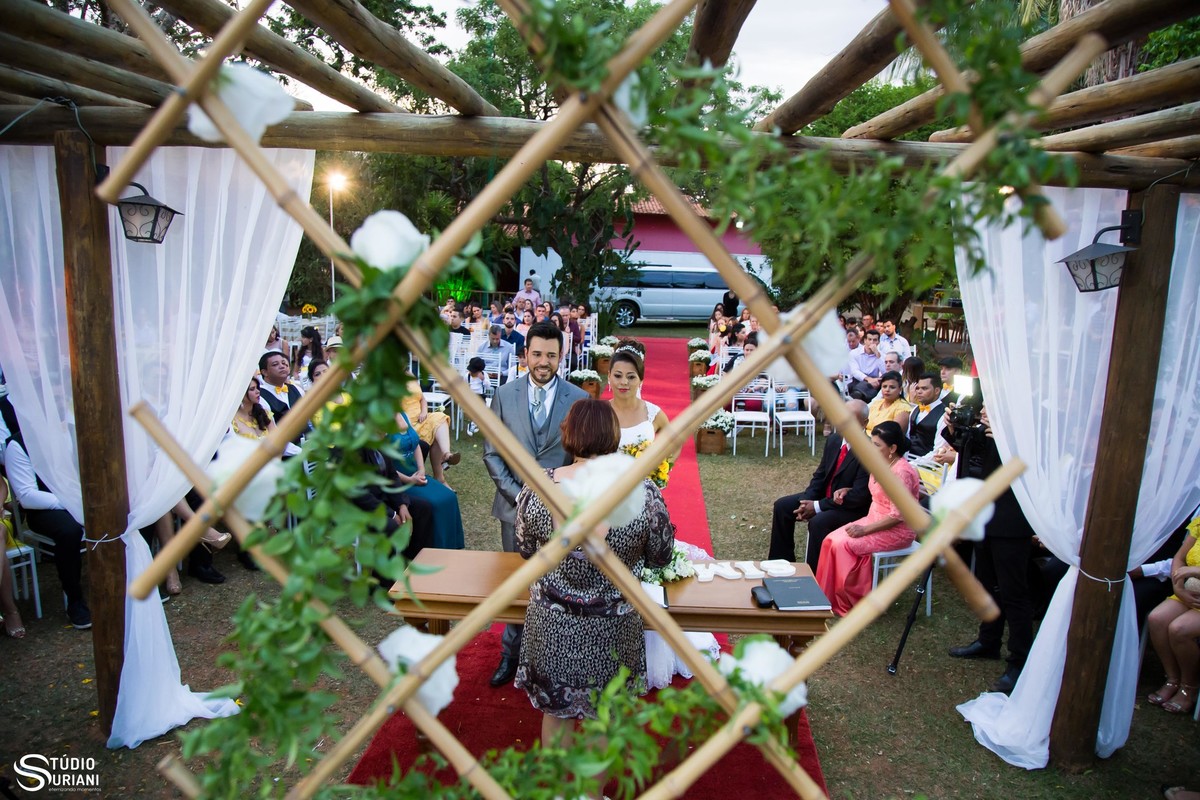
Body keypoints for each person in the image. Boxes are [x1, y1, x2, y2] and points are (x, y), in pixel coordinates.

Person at [514, 400, 674, 746]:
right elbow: (661, 556)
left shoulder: (539, 488)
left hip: (553, 622)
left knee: (556, 713)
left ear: (567, 434)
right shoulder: (643, 492)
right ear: (613, 436)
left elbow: (525, 548)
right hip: (613, 626)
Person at [483, 320, 589, 687]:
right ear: (525, 353)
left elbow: (584, 456)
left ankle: (555, 655)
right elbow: (492, 454)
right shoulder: (504, 395)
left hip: (562, 512)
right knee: (517, 583)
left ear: (562, 356)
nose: (544, 361)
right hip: (513, 509)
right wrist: (520, 494)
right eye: (538, 353)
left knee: (561, 583)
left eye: (551, 355)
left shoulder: (578, 399)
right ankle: (510, 654)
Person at [945, 404, 1034, 695]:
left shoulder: (1024, 434)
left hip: (1011, 521)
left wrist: (1007, 441)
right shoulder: (984, 431)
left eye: (989, 409)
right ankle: (988, 640)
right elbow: (969, 461)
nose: (984, 411)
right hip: (983, 517)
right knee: (985, 583)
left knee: (1014, 593)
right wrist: (955, 431)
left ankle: (1019, 660)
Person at [814, 421, 920, 616]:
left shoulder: (901, 472)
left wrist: (864, 530)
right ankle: (826, 595)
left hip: (896, 530)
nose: (871, 447)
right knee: (830, 540)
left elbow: (898, 515)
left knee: (843, 545)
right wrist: (848, 490)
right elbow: (878, 494)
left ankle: (852, 602)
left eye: (877, 445)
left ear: (893, 448)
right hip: (874, 518)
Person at [4, 423, 90, 628]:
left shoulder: (72, 431)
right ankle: (74, 600)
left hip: (81, 498)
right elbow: (27, 495)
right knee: (69, 531)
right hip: (45, 509)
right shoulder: (18, 444)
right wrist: (70, 503)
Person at [770, 400, 872, 569]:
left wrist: (817, 507)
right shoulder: (834, 440)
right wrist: (806, 501)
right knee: (782, 506)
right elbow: (820, 475)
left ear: (865, 423)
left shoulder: (869, 450)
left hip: (849, 508)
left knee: (818, 522)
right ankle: (780, 564)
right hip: (825, 498)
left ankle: (814, 574)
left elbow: (858, 496)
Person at [1145, 514, 1200, 715]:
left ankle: (1189, 687)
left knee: (1179, 629)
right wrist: (1178, 587)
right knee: (1157, 619)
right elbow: (1179, 557)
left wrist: (1194, 570)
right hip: (1189, 590)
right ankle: (1172, 679)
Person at [391, 411, 465, 549]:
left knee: (449, 496)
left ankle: (451, 548)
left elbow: (416, 444)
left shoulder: (403, 414)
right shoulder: (377, 423)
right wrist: (409, 479)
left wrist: (421, 469)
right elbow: (384, 465)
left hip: (416, 475)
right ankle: (433, 551)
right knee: (434, 503)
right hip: (398, 481)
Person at [401, 375, 460, 488]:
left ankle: (447, 454)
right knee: (435, 429)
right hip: (406, 423)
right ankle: (440, 478)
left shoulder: (409, 375)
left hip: (422, 418)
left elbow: (422, 398)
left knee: (440, 418)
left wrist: (424, 411)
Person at [905, 373, 946, 457]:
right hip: (907, 456)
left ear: (937, 391)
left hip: (928, 464)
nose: (919, 392)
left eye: (924, 388)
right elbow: (908, 437)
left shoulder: (944, 414)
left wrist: (915, 464)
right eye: (917, 388)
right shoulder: (915, 409)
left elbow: (938, 450)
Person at [847, 329, 885, 401]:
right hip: (858, 380)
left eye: (874, 340)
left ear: (878, 342)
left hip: (875, 382)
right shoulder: (854, 353)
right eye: (869, 339)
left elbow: (885, 372)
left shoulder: (881, 356)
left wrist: (877, 354)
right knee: (859, 385)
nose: (871, 342)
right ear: (865, 340)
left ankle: (852, 399)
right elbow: (855, 371)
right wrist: (868, 379)